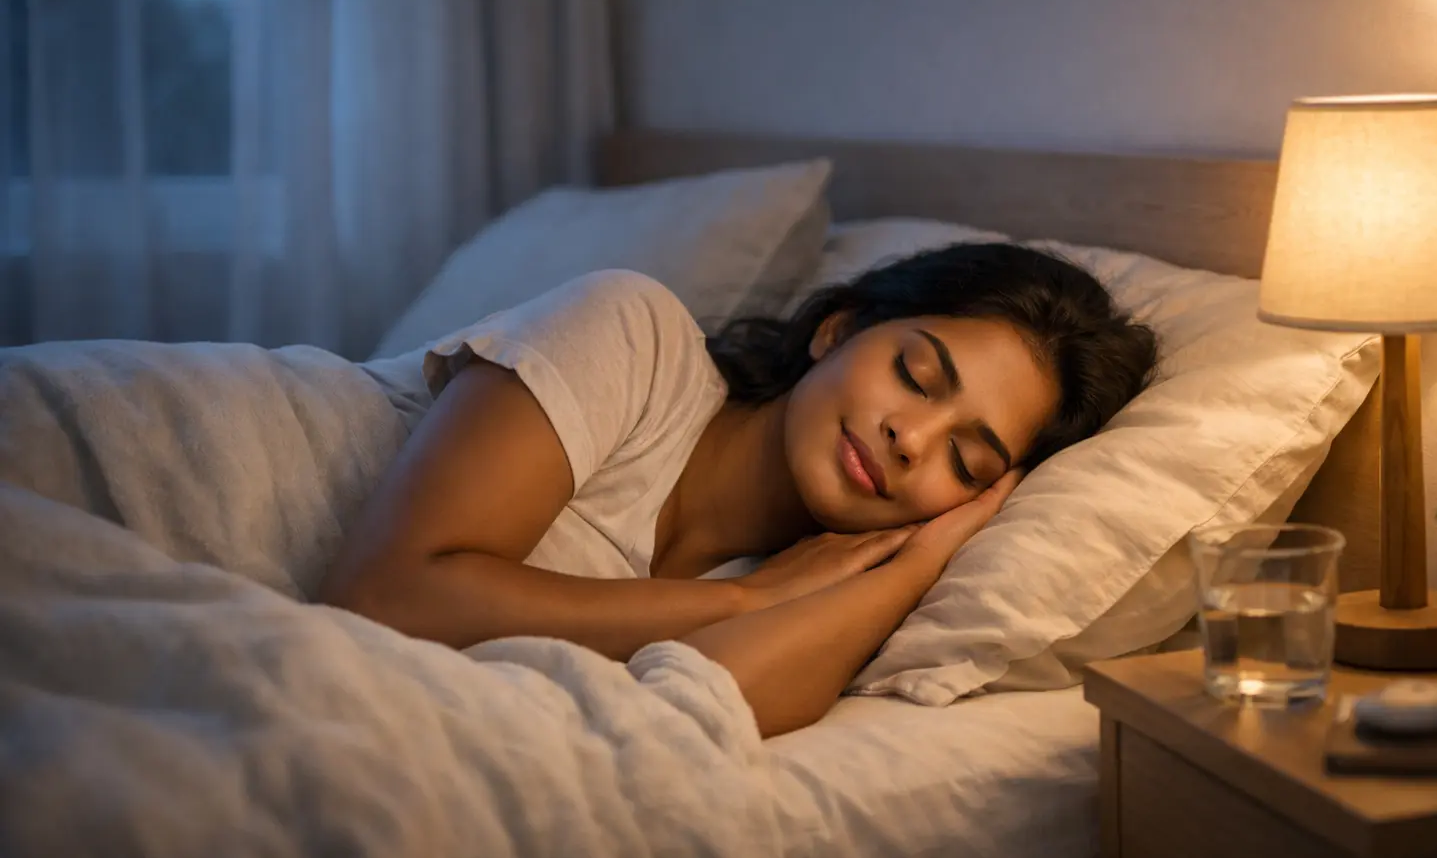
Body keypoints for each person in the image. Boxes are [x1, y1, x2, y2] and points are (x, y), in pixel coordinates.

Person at [320, 243, 1157, 736]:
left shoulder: (814, 589)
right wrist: (742, 601)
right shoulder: (633, 338)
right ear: (837, 330)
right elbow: (385, 594)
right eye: (914, 373)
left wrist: (912, 570)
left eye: (967, 464)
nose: (912, 440)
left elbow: (690, 714)